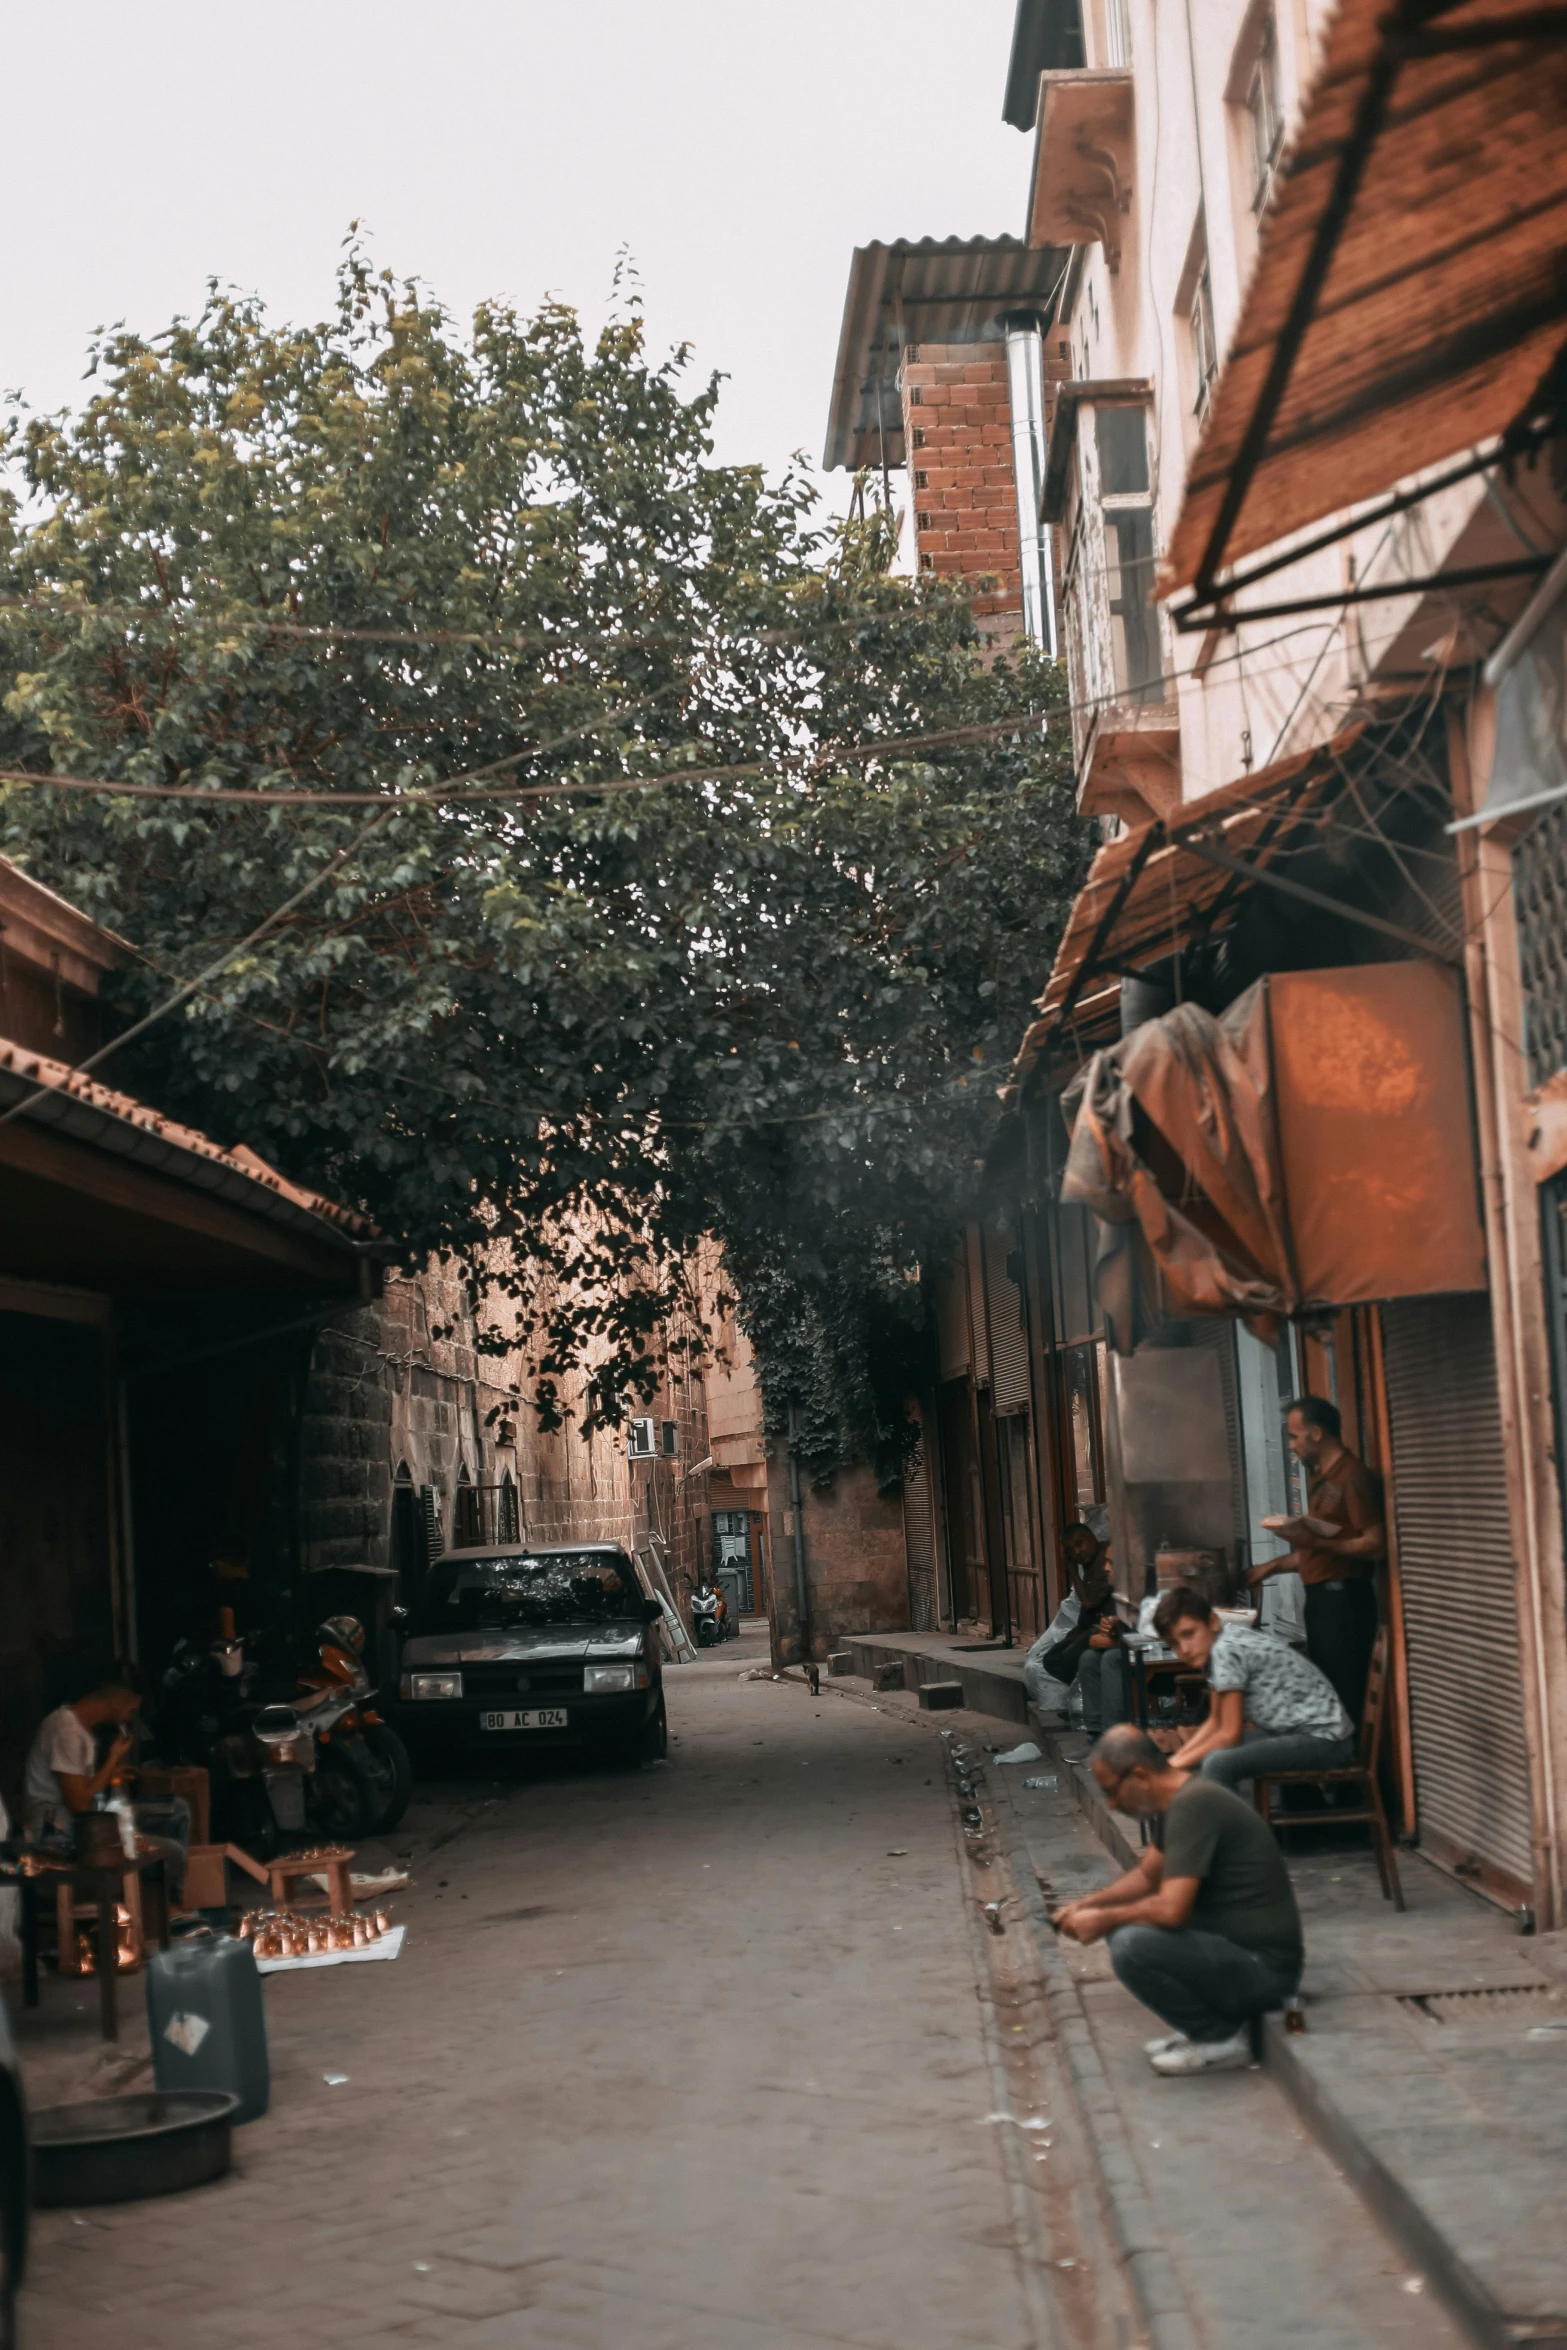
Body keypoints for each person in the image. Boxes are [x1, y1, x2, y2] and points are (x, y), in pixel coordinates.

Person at [1053, 1723, 1304, 2074]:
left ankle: (1219, 2039)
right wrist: (1089, 1905)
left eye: (1112, 1791)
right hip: (1237, 1953)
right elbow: (1146, 1876)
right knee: (1120, 1926)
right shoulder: (1179, 1801)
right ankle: (1203, 2029)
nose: (1110, 1803)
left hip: (1267, 1971)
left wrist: (1105, 1917)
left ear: (1139, 1775)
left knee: (1130, 1944)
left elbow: (1171, 1911)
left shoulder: (1194, 1806)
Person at [1247, 1395, 1383, 1725]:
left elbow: (1376, 1544)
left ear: (1316, 1433)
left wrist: (1317, 1542)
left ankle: (1347, 1771)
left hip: (1345, 1603)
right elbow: (1319, 1549)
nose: (1292, 1445)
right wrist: (1271, 1567)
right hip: (1324, 1603)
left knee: (1345, 1697)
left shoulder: (1352, 1477)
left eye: (1294, 1436)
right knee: (1329, 1693)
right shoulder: (1323, 1479)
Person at [1152, 1584, 1353, 1791]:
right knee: (1209, 1755)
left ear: (1212, 1621)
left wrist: (1171, 1767)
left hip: (1325, 1739)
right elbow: (1215, 1722)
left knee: (1218, 1764)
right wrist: (1174, 1761)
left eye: (1189, 1634)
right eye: (1174, 1643)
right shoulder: (1220, 1644)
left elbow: (1229, 1734)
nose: (1184, 1649)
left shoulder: (1225, 1650)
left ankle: (1230, 1824)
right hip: (1305, 1734)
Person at [25, 1662, 192, 1908]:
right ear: (117, 1699)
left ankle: (157, 1899)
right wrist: (112, 1759)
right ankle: (163, 1909)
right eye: (132, 1707)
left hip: (89, 1821)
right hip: (60, 1832)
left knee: (177, 1809)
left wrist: (112, 1773)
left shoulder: (80, 1730)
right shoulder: (66, 1730)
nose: (131, 1714)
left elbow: (87, 1792)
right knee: (175, 1853)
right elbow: (80, 1806)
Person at [1022, 1515, 1132, 1740]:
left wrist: (1071, 1569)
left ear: (1092, 1538)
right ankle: (1094, 1731)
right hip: (1102, 1628)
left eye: (1080, 1545)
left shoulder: (1106, 1559)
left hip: (1116, 1633)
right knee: (1059, 1658)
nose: (1109, 1569)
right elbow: (1088, 1614)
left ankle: (1105, 1727)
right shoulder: (1094, 1566)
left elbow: (1091, 1604)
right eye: (1071, 1551)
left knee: (1094, 1657)